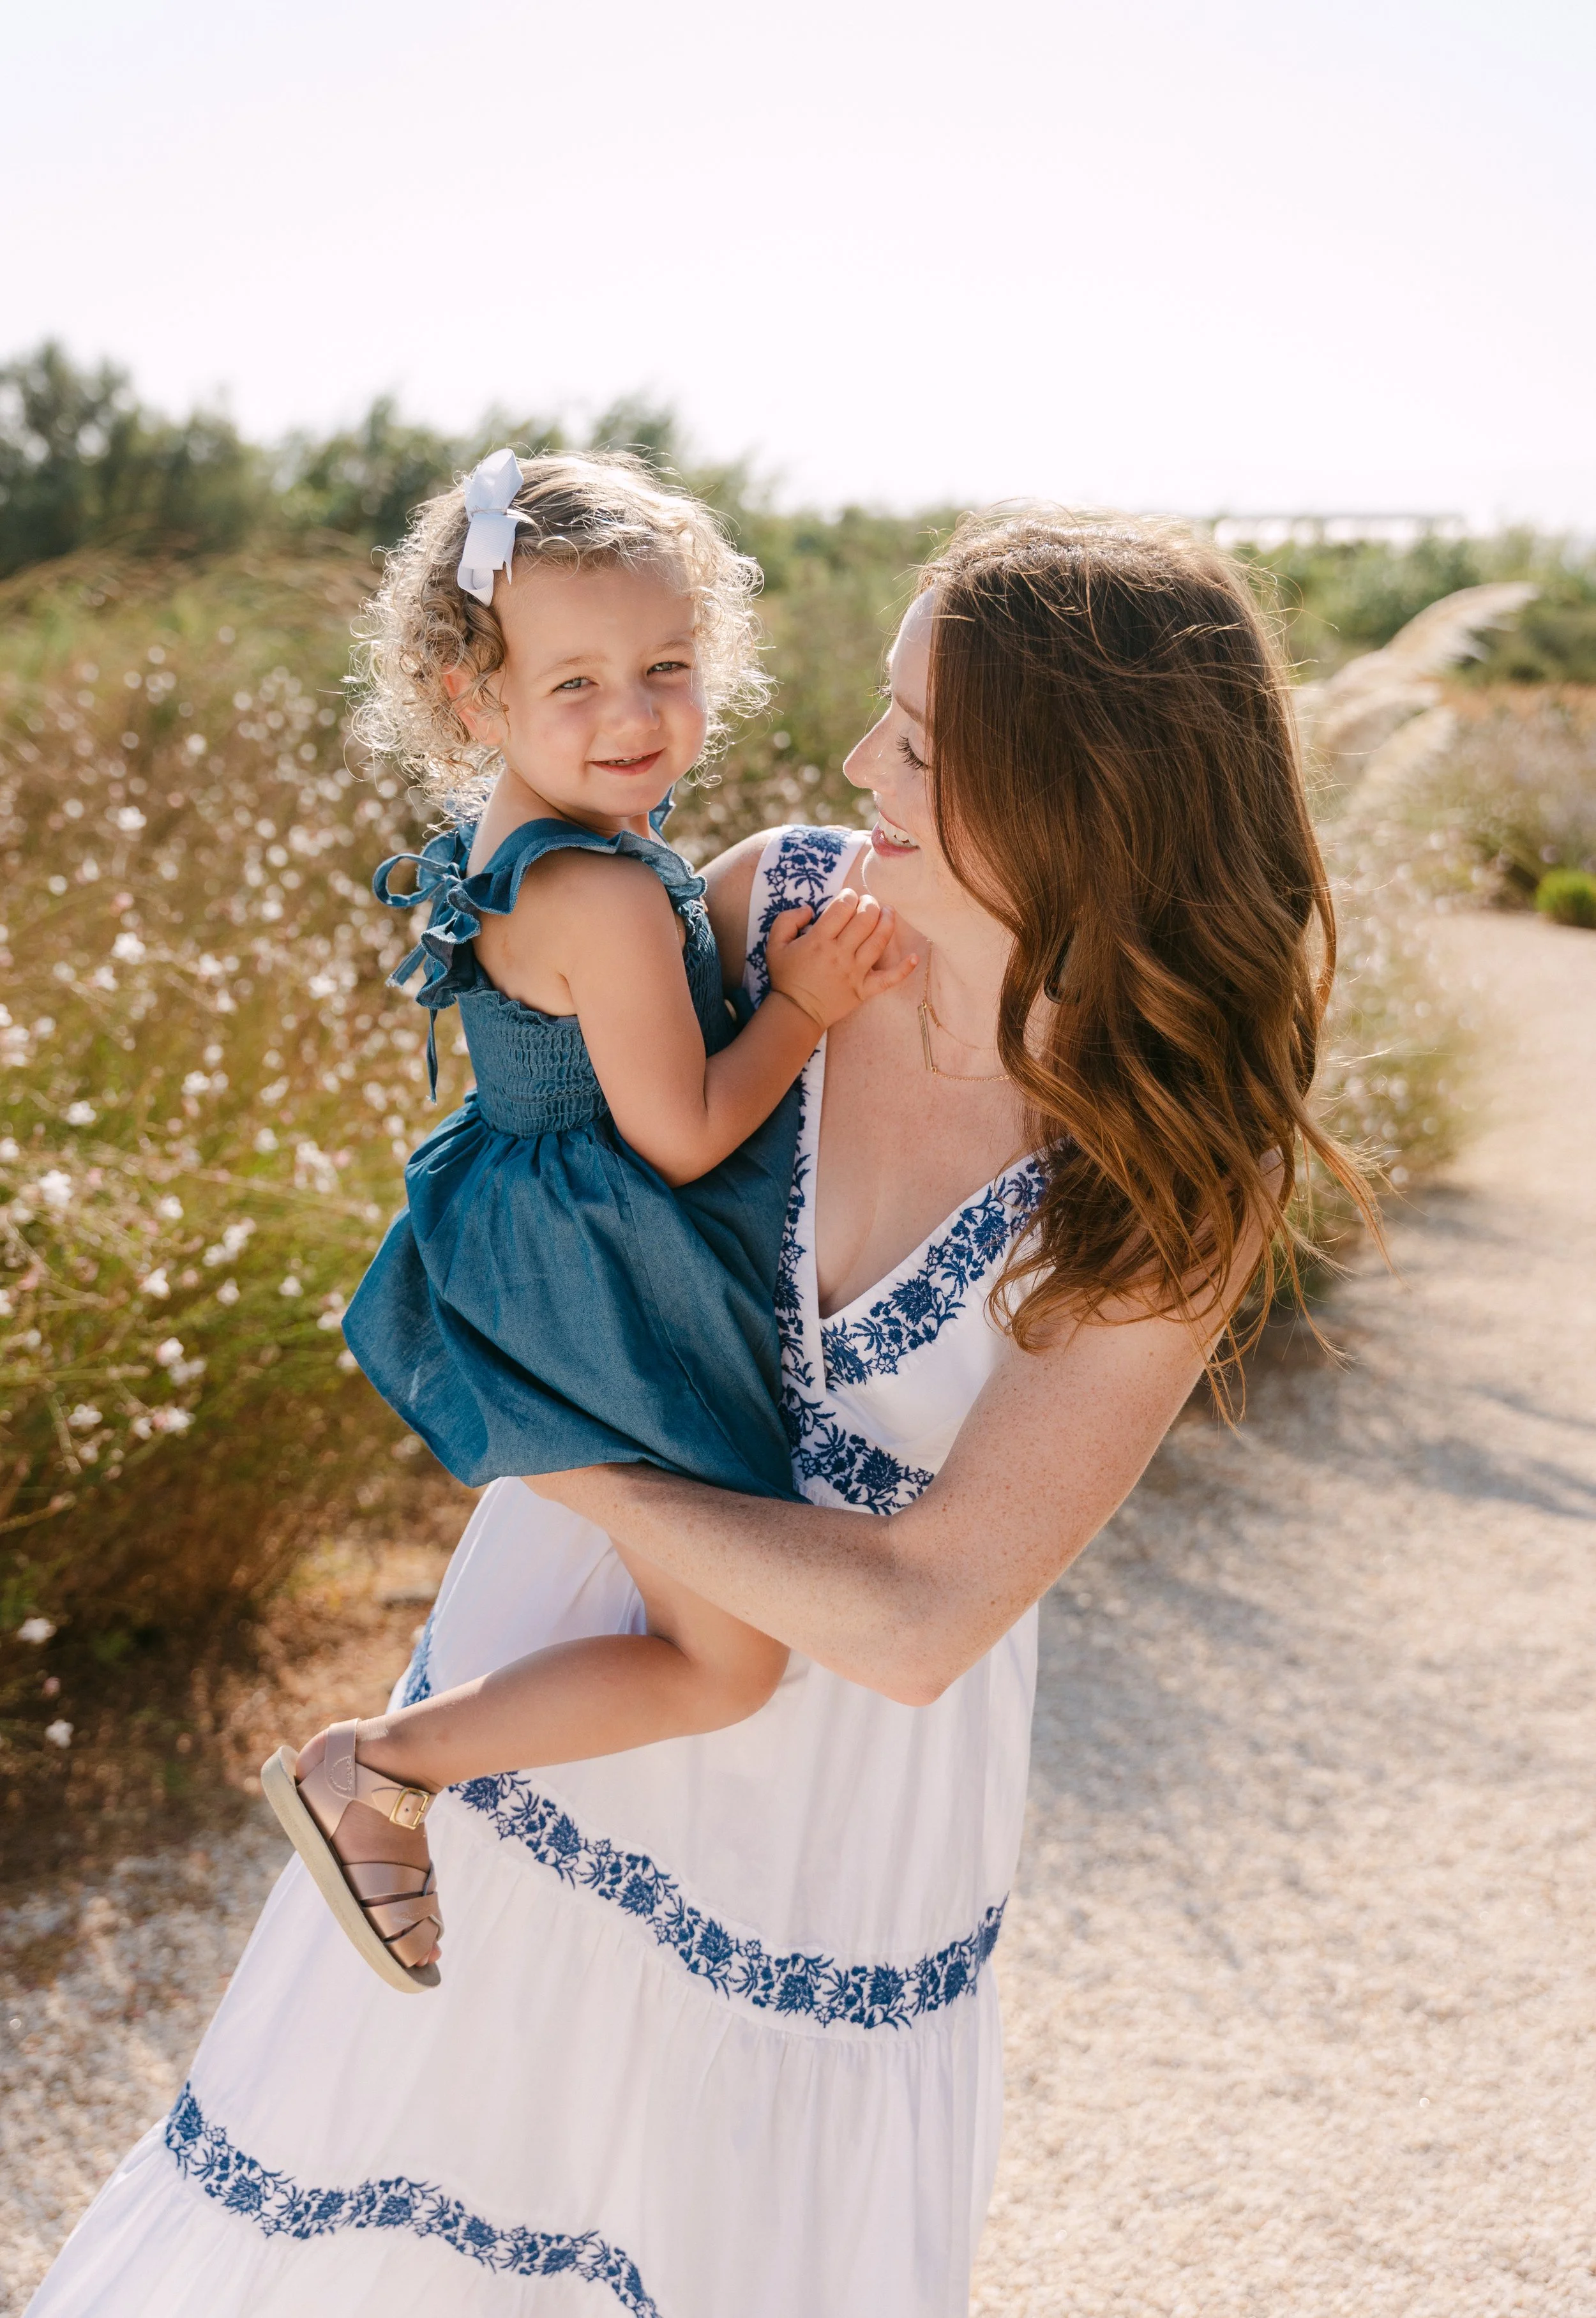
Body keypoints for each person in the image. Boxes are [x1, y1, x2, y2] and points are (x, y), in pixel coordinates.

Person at [28, 509, 1367, 2318]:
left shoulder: (1166, 1173)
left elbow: (913, 1619)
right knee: (387, 2190)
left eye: (917, 737)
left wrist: (544, 1437)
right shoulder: (761, 903)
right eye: (881, 709)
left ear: (1078, 792)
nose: (853, 758)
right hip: (554, 1660)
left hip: (839, 1801)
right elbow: (545, 1146)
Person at [262, 448, 912, 1995]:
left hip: (530, 1216)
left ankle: (418, 1776)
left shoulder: (516, 830)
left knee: (708, 1639)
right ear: (475, 702)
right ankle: (381, 1768)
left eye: (666, 667)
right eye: (576, 685)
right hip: (606, 1263)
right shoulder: (606, 895)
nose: (632, 718)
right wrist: (807, 1006)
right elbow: (683, 1136)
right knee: (725, 1659)